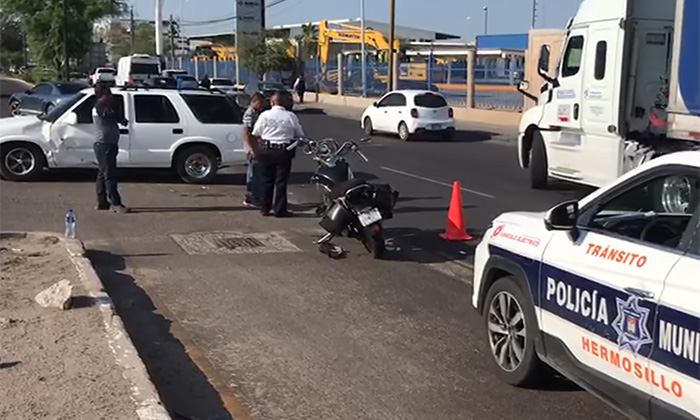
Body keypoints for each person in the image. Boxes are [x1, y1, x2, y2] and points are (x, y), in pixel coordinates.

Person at [251, 91, 304, 217]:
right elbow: (300, 134)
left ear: (272, 102)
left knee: (266, 180)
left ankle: (265, 207)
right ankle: (280, 210)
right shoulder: (290, 116)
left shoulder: (264, 115)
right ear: (285, 103)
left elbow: (256, 132)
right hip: (283, 151)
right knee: (281, 182)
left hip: (266, 150)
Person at [92, 82, 129, 213]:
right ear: (102, 95)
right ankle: (115, 203)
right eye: (108, 94)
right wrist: (116, 106)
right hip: (103, 145)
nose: (111, 96)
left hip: (109, 144)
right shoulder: (100, 106)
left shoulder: (107, 106)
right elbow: (109, 114)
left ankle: (102, 202)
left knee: (103, 174)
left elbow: (120, 119)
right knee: (110, 174)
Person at [242, 92, 266, 207]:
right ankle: (252, 198)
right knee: (253, 174)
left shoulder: (256, 113)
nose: (262, 105)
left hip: (256, 146)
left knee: (257, 173)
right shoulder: (249, 114)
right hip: (252, 148)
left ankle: (255, 196)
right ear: (255, 102)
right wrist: (251, 149)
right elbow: (247, 133)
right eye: (261, 103)